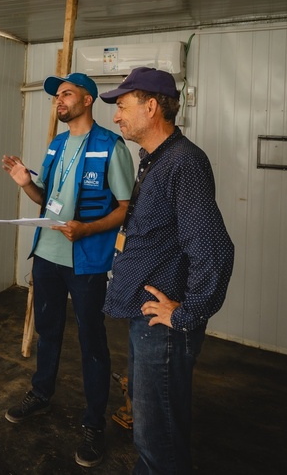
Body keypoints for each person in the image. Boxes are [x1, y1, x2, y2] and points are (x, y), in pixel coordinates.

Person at [100, 67, 234, 474]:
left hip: (166, 327)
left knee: (159, 439)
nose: (117, 116)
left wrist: (186, 314)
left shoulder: (184, 163)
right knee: (150, 429)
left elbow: (213, 249)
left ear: (152, 106)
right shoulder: (155, 159)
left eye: (122, 106)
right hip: (148, 319)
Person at [1, 73, 134, 468]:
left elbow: (126, 208)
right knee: (48, 331)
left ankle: (94, 424)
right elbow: (48, 204)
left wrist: (87, 229)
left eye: (66, 94)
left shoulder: (112, 147)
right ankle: (41, 393)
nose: (58, 101)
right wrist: (26, 183)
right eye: (56, 96)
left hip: (87, 263)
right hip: (47, 258)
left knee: (93, 344)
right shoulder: (57, 145)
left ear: (88, 100)